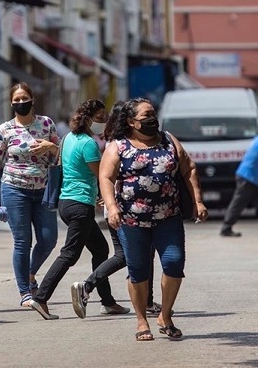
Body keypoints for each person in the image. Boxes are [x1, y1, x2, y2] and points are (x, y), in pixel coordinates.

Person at [98, 98, 207, 341]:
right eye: (146, 116)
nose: (152, 119)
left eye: (153, 114)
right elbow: (105, 177)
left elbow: (188, 168)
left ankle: (165, 316)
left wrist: (197, 200)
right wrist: (113, 207)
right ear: (131, 122)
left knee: (174, 263)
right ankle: (141, 321)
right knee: (138, 270)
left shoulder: (168, 140)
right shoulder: (118, 146)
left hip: (168, 217)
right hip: (131, 221)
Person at [29, 99, 129, 320]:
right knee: (69, 254)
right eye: (101, 117)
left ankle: (108, 302)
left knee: (101, 250)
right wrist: (108, 195)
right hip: (80, 206)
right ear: (89, 119)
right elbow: (102, 174)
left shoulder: (67, 139)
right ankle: (41, 298)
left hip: (66, 203)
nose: (104, 121)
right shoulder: (88, 144)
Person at [71, 101, 171, 319]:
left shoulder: (114, 141)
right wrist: (110, 202)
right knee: (129, 256)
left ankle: (145, 301)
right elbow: (107, 177)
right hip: (124, 210)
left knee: (136, 255)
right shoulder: (119, 144)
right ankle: (88, 286)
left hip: (120, 208)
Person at [0, 82, 60, 307]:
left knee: (48, 239)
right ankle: (25, 292)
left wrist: (50, 146)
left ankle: (30, 274)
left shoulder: (47, 124)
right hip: (14, 188)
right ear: (11, 103)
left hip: (44, 190)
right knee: (22, 242)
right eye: (16, 100)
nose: (20, 103)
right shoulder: (3, 129)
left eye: (24, 98)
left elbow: (60, 155)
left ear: (32, 99)